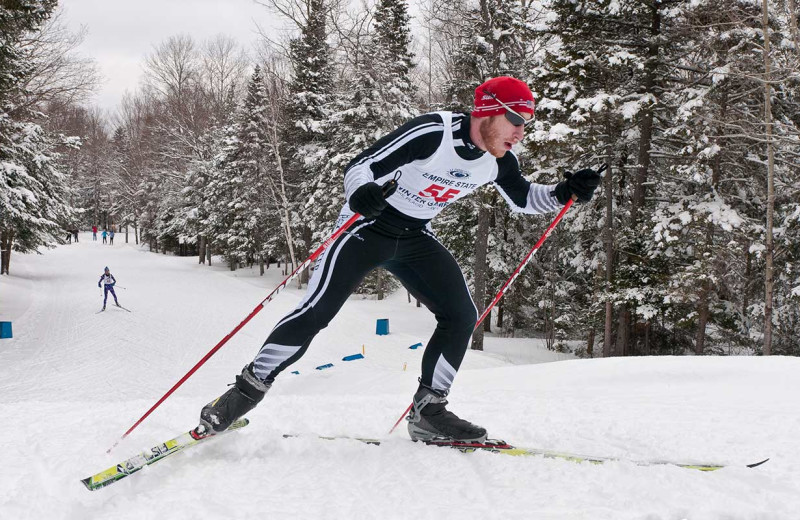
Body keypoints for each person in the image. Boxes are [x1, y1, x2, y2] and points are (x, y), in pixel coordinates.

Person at [198, 76, 602, 442]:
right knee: (317, 312)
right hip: (364, 230)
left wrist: (566, 191)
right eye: (516, 118)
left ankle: (429, 412)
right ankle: (241, 396)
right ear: (488, 110)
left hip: (413, 237)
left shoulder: (499, 161)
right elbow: (362, 166)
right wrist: (361, 193)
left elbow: (525, 198)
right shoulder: (434, 133)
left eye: (527, 122)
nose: (521, 131)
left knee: (461, 315)